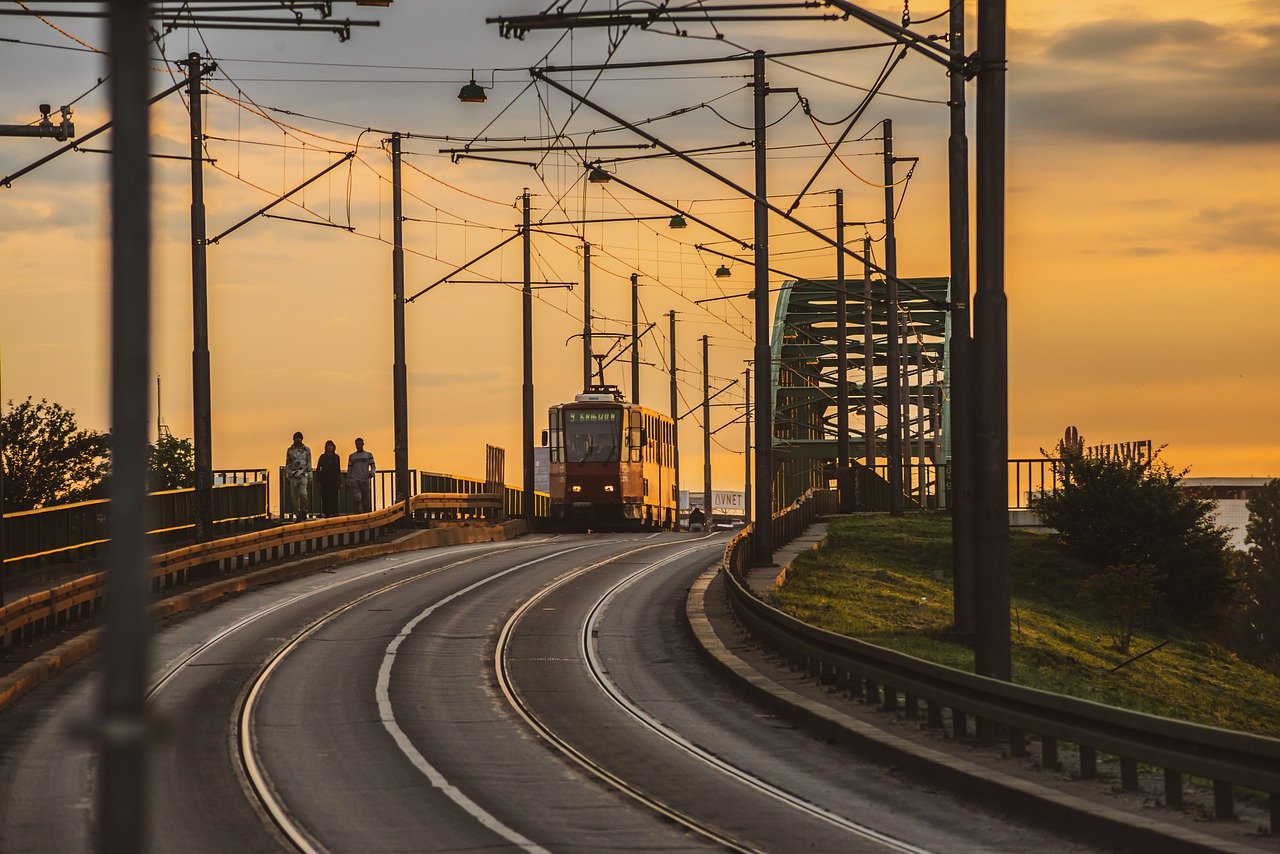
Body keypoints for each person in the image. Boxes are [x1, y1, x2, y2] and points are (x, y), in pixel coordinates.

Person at [284, 431, 312, 522]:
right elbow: (287, 463)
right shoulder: (290, 450)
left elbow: (309, 461)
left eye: (299, 438)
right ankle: (298, 514)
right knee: (294, 497)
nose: (298, 439)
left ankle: (304, 511)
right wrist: (287, 475)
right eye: (296, 438)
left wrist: (310, 473)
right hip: (293, 475)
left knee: (303, 494)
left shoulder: (306, 449)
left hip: (303, 474)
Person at [347, 437, 376, 513]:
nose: (358, 446)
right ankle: (359, 514)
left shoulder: (368, 455)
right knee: (357, 499)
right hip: (355, 480)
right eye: (356, 444)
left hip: (365, 480)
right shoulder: (352, 456)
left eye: (359, 444)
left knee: (366, 500)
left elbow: (373, 467)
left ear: (363, 444)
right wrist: (348, 481)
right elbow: (349, 469)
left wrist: (372, 473)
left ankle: (365, 514)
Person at [316, 439, 341, 517]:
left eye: (331, 446)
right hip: (324, 480)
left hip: (334, 480)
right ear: (325, 447)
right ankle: (326, 512)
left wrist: (339, 481)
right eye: (328, 446)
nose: (329, 448)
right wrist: (318, 481)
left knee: (334, 496)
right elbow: (318, 469)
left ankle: (335, 512)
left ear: (333, 447)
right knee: (325, 496)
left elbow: (338, 469)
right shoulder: (322, 457)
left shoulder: (336, 457)